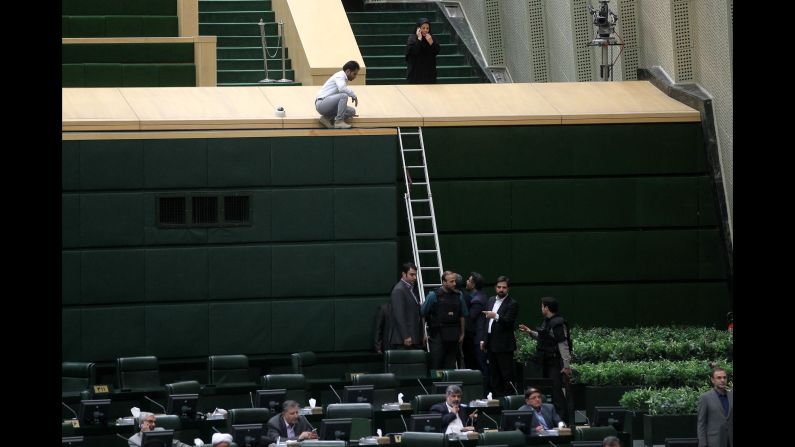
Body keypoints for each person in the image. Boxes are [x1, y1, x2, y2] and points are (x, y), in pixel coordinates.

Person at [518, 296, 573, 423]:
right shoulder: (548, 321)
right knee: (552, 394)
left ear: (546, 308)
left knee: (557, 394)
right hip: (547, 362)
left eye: (542, 306)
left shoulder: (558, 323)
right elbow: (546, 338)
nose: (541, 308)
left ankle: (563, 422)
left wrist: (566, 365)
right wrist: (530, 332)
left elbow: (563, 344)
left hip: (556, 364)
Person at [478, 275, 518, 396]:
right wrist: (483, 340)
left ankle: (508, 400)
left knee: (506, 375)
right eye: (499, 287)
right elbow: (486, 323)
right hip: (491, 343)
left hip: (504, 345)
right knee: (493, 374)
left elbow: (508, 322)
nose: (501, 289)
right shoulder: (490, 300)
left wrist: (495, 315)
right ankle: (497, 400)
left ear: (508, 289)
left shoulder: (512, 303)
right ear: (495, 288)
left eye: (504, 287)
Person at [422, 270, 468, 369]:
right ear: (444, 282)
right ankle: (435, 383)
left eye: (455, 281)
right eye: (451, 281)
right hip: (437, 335)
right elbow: (423, 313)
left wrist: (462, 333)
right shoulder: (433, 295)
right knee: (436, 364)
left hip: (453, 335)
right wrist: (424, 334)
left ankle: (449, 384)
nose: (454, 284)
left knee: (450, 365)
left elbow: (462, 315)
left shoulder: (459, 295)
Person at [315, 61, 360, 129]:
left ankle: (326, 118)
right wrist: (353, 95)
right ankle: (339, 121)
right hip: (321, 104)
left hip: (329, 105)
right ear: (348, 71)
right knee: (343, 96)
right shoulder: (340, 76)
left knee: (351, 111)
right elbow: (342, 88)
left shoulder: (343, 78)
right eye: (354, 74)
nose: (355, 76)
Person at [388, 262, 423, 350]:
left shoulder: (410, 288)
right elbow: (399, 315)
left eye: (415, 275)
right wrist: (406, 336)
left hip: (412, 337)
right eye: (412, 275)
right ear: (404, 274)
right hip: (403, 340)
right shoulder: (399, 290)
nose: (414, 277)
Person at [697, 366, 733, 447]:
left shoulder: (732, 396)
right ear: (713, 380)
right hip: (714, 442)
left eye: (724, 377)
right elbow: (701, 423)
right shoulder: (705, 398)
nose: (722, 380)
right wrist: (702, 444)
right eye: (719, 378)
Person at [464, 272, 488, 376]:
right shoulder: (481, 296)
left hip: (478, 338)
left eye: (469, 280)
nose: (467, 282)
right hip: (478, 337)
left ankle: (486, 390)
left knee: (481, 366)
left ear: (473, 284)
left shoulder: (476, 300)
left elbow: (469, 318)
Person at [405, 17, 440, 84]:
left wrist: (431, 43)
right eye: (423, 28)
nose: (426, 30)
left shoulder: (431, 38)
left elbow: (436, 51)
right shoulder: (412, 38)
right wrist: (419, 39)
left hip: (429, 73)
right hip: (415, 73)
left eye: (427, 28)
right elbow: (413, 52)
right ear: (418, 28)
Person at [127, 412, 192, 447]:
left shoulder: (160, 430)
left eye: (154, 422)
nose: (154, 424)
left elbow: (176, 444)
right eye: (150, 421)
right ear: (141, 424)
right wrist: (147, 435)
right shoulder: (133, 440)